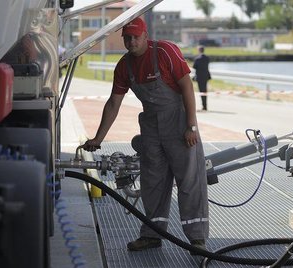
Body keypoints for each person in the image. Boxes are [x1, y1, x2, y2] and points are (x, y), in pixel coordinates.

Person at [82, 17, 209, 253]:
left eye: (135, 37)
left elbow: (187, 87)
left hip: (178, 122)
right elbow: (113, 103)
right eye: (127, 38)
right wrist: (98, 138)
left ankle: (197, 239)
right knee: (153, 182)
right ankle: (152, 235)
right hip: (150, 125)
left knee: (189, 181)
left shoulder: (165, 51)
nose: (131, 42)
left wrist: (191, 126)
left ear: (145, 35)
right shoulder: (124, 66)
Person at [192, 45, 211, 111]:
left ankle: (203, 106)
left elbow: (194, 67)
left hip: (199, 77)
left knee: (201, 91)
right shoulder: (207, 58)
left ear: (199, 50)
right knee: (205, 91)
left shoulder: (197, 58)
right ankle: (205, 106)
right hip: (206, 76)